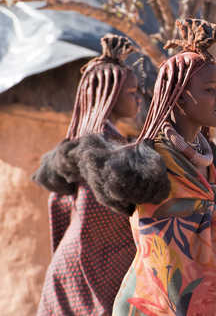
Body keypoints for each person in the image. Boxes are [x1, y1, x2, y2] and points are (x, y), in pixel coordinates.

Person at [88, 18, 216, 316]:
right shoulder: (153, 164)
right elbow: (164, 263)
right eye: (210, 90)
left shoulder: (206, 161)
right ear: (181, 97)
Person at [33, 34, 140, 315]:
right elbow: (100, 215)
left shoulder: (101, 142)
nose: (138, 98)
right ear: (111, 95)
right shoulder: (98, 148)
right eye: (131, 93)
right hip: (85, 276)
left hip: (85, 268)